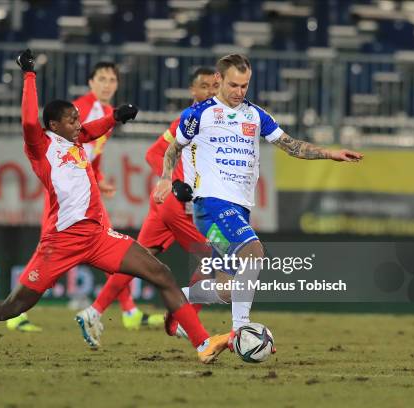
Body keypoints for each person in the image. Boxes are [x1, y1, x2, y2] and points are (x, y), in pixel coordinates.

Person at [0, 49, 229, 364]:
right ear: (53, 125)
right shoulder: (39, 147)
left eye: (78, 118)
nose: (78, 124)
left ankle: (203, 344)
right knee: (14, 306)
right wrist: (29, 75)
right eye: (72, 119)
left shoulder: (76, 141)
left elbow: (93, 129)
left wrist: (115, 116)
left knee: (162, 274)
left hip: (98, 236)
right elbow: (28, 119)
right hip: (60, 241)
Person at [154, 53, 363, 349]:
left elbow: (291, 146)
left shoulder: (255, 116)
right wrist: (165, 178)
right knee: (253, 251)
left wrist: (330, 153)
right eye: (234, 85)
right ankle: (242, 330)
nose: (240, 92)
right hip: (211, 206)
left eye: (245, 85)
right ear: (218, 81)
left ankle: (180, 299)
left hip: (237, 209)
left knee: (228, 290)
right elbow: (173, 150)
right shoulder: (199, 115)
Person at [6, 61, 162, 333]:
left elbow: (88, 152)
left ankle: (129, 311)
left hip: (84, 191)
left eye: (112, 79)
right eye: (101, 78)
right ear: (90, 83)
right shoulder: (81, 109)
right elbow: (77, 140)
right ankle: (15, 310)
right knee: (51, 249)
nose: (107, 84)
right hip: (65, 196)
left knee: (106, 242)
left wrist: (97, 179)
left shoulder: (103, 113)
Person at [76, 67, 228, 345]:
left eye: (215, 87)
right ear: (193, 91)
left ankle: (93, 312)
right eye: (204, 87)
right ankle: (185, 317)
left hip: (169, 203)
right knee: (217, 257)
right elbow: (154, 154)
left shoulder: (211, 120)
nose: (211, 92)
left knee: (138, 260)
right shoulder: (191, 120)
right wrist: (172, 180)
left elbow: (156, 152)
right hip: (178, 204)